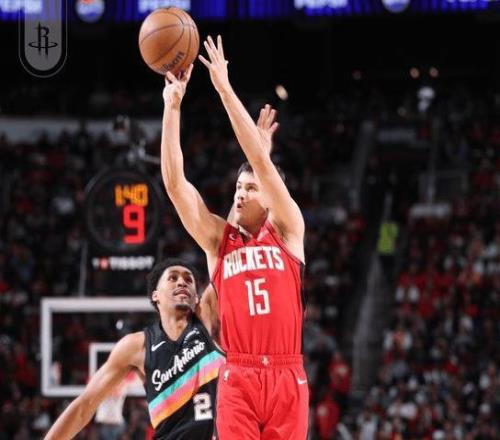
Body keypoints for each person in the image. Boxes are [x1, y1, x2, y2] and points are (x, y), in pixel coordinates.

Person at [161, 35, 308, 439]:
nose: (240, 194)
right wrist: (172, 106)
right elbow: (175, 186)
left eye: (251, 188)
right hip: (238, 373)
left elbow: (260, 160)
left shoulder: (289, 229)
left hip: (287, 374)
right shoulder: (218, 242)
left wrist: (224, 88)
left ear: (270, 196)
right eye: (238, 188)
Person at [44, 258, 224, 440]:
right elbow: (85, 405)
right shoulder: (137, 346)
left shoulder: (206, 318)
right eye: (173, 278)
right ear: (155, 295)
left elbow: (221, 257)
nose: (182, 282)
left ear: (196, 297)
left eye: (188, 279)